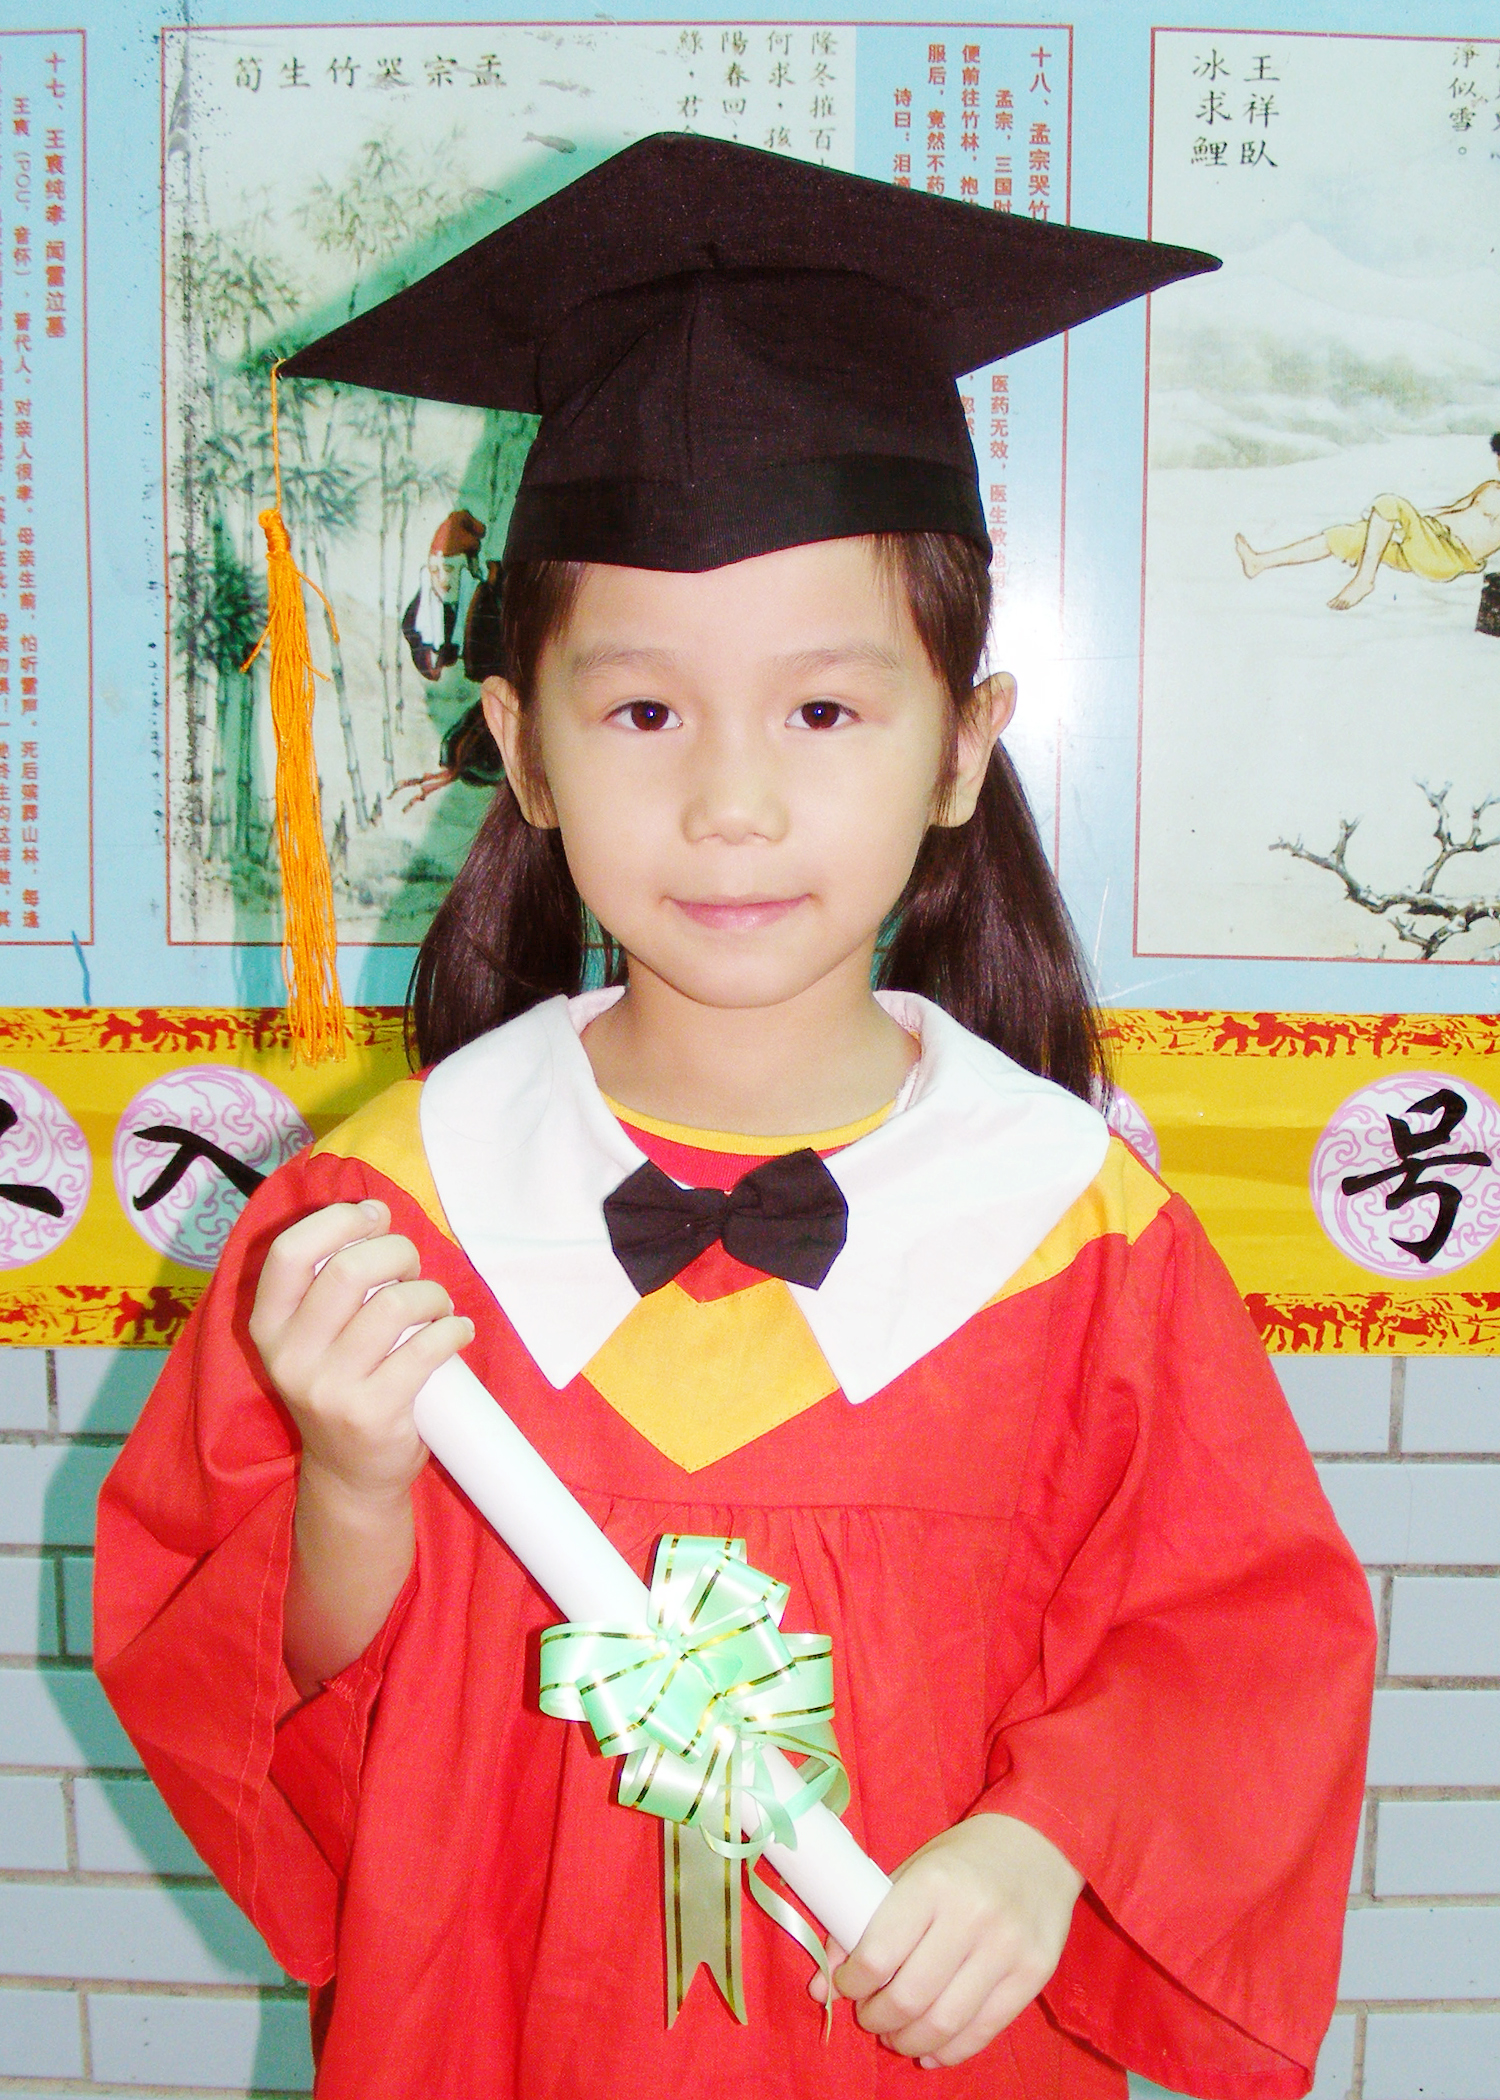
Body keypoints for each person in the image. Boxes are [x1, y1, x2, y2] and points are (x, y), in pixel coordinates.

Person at [95, 136, 1373, 2100]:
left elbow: (1233, 1649)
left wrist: (1046, 1842)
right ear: (518, 748)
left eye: (824, 711)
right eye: (642, 712)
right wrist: (351, 1477)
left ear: (963, 747)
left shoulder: (1074, 1233)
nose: (733, 806)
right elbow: (254, 1699)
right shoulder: (381, 1222)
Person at [1235, 433, 1500, 609]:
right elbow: (1450, 509)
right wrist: (1405, 523)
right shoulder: (1489, 488)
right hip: (1426, 538)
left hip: (1446, 557)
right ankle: (1261, 562)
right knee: (1348, 536)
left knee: (1389, 502)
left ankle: (1364, 581)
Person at [400, 509, 486, 678]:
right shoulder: (416, 616)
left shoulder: (485, 606)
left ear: (468, 569)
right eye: (434, 570)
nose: (442, 579)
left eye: (449, 569)